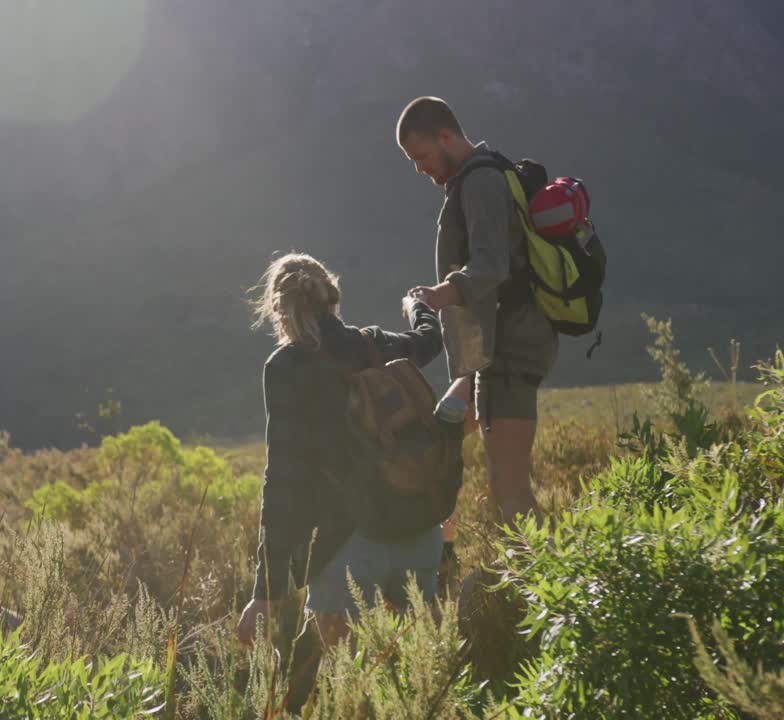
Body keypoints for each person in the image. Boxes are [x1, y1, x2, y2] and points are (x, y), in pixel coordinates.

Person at [235, 252, 448, 710]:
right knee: (424, 685)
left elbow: (283, 482)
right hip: (420, 532)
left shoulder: (286, 368)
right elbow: (430, 340)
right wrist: (418, 305)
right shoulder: (374, 344)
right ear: (333, 296)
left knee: (354, 695)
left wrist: (266, 594)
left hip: (347, 548)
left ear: (278, 309)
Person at [397, 96, 558, 529]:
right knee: (490, 474)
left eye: (423, 156)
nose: (419, 168)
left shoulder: (482, 182)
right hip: (500, 348)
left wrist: (436, 297)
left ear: (446, 136)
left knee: (511, 493)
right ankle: (447, 548)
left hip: (510, 348)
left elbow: (491, 266)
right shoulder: (479, 176)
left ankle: (566, 591)